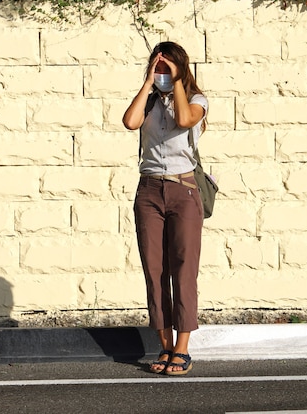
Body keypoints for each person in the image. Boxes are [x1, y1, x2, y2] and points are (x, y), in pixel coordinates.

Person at [122, 41, 208, 375]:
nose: (161, 72)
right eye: (157, 67)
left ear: (180, 68)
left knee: (184, 269)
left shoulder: (197, 101)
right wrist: (148, 85)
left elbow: (186, 120)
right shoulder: (150, 101)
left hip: (182, 190)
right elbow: (130, 122)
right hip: (148, 191)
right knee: (155, 271)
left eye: (167, 67)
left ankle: (183, 348)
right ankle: (166, 346)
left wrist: (176, 82)